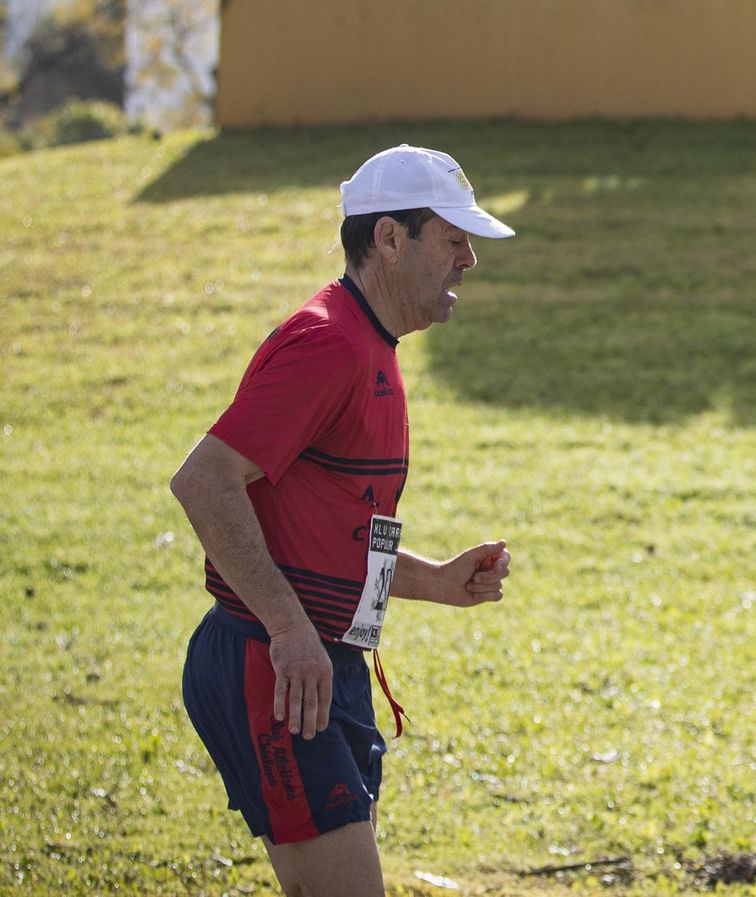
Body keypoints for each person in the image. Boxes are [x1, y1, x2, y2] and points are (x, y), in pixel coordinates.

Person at [171, 145, 517, 897]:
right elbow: (205, 480)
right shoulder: (328, 342)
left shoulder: (373, 344)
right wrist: (292, 631)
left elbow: (326, 533)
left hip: (313, 664)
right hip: (276, 663)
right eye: (453, 240)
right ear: (389, 240)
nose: (469, 260)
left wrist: (439, 581)